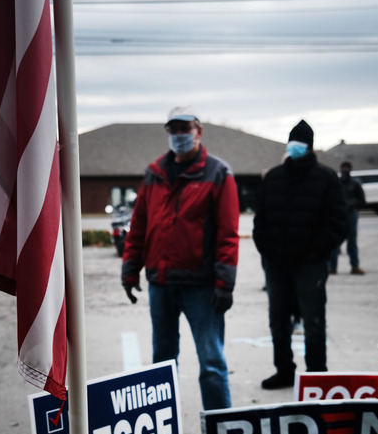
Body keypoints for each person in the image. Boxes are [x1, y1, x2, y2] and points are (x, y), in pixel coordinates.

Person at [121, 106, 240, 410]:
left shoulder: (218, 173)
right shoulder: (154, 174)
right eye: (173, 130)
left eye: (185, 129)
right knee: (161, 363)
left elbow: (228, 233)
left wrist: (225, 283)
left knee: (211, 361)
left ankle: (219, 432)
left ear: (198, 131)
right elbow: (139, 226)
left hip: (201, 287)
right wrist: (130, 269)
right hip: (161, 284)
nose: (179, 136)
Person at [253, 120, 347, 390]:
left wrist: (316, 252)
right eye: (291, 141)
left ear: (308, 146)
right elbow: (261, 221)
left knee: (313, 319)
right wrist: (268, 251)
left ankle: (317, 375)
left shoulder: (326, 178)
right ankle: (284, 371)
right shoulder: (274, 177)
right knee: (278, 320)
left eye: (298, 142)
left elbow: (337, 222)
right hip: (276, 263)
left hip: (309, 264)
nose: (293, 147)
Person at [328, 161, 366, 275]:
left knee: (352, 241)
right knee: (334, 241)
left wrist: (351, 204)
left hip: (351, 214)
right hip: (338, 215)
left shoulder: (355, 184)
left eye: (347, 168)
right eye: (343, 168)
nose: (345, 170)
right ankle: (332, 267)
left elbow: (362, 200)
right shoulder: (336, 183)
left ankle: (355, 266)